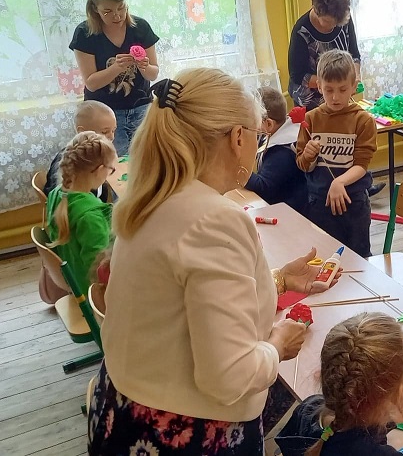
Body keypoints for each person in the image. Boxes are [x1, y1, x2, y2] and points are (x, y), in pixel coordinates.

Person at [89, 69, 337, 455]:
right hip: (180, 432)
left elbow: (178, 304)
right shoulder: (215, 220)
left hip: (121, 409)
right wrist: (277, 343)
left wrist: (278, 280)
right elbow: (229, 376)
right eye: (256, 134)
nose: (257, 144)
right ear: (237, 137)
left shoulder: (151, 198)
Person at [274, 313, 403, 456]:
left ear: (323, 374)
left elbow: (349, 435)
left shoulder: (308, 408)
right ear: (396, 393)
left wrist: (390, 416)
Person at [287, 0, 385, 197]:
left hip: (337, 84)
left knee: (346, 139)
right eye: (327, 23)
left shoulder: (343, 20)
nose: (332, 27)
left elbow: (354, 54)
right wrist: (329, 85)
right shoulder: (301, 30)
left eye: (336, 23)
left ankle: (355, 185)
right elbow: (298, 76)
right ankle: (319, 190)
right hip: (312, 92)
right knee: (320, 150)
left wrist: (353, 77)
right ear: (316, 10)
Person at [297, 50, 377, 258]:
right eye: (328, 89)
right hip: (320, 204)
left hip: (354, 204)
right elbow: (303, 165)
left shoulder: (363, 120)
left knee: (359, 260)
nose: (335, 97)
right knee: (324, 258)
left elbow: (362, 164)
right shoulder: (311, 119)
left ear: (353, 86)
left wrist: (339, 182)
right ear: (319, 86)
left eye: (342, 89)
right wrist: (308, 155)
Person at [71, 0, 160, 157]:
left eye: (121, 7)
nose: (117, 15)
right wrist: (116, 68)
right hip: (105, 114)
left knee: (148, 159)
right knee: (114, 163)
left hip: (141, 107)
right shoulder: (84, 34)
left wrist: (144, 66)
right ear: (95, 9)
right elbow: (91, 83)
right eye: (108, 11)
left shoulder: (140, 27)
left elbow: (153, 74)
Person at [45, 131, 116, 296]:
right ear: (99, 170)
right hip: (93, 294)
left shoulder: (56, 194)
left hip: (75, 280)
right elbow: (100, 272)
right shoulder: (91, 216)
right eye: (111, 170)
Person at [245, 86, 309, 213]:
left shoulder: (282, 151)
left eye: (253, 119)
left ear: (269, 124)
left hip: (292, 214)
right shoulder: (277, 130)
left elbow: (263, 188)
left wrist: (237, 167)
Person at [43, 100, 117, 202]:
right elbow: (63, 202)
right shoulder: (68, 163)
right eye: (104, 132)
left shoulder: (95, 155)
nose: (112, 137)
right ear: (82, 131)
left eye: (113, 130)